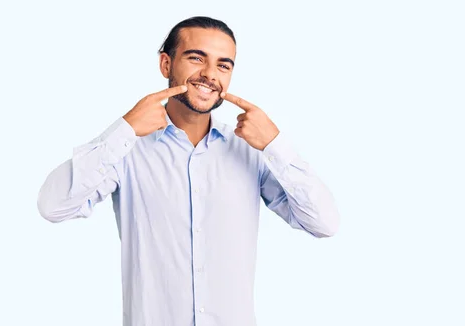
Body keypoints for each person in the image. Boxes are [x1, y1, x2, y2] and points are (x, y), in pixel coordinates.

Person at [37, 16, 340, 326]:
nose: (209, 75)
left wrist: (275, 144)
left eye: (223, 65)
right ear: (166, 65)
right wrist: (125, 129)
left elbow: (324, 223)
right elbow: (53, 206)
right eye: (196, 58)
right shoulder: (127, 149)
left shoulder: (251, 151)